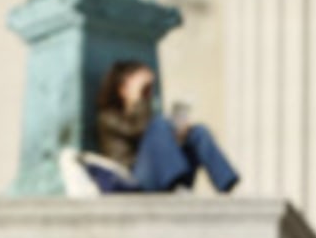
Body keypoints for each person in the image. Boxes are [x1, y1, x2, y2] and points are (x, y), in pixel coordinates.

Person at [90, 60, 240, 194]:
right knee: (160, 124)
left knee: (197, 132)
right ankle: (176, 184)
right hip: (133, 178)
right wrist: (140, 98)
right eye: (145, 88)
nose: (147, 93)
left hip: (157, 173)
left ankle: (225, 183)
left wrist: (180, 135)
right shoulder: (108, 117)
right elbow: (139, 129)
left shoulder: (145, 113)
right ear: (122, 89)